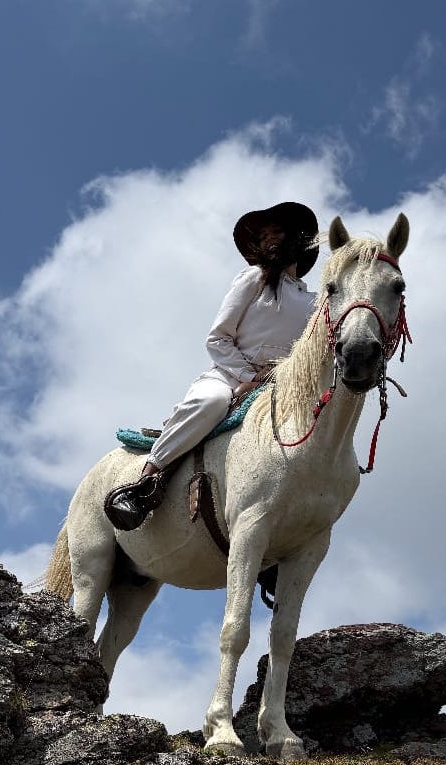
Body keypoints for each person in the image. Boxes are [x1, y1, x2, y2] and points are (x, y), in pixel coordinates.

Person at [104, 201, 319, 531]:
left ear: (296, 239)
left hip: (280, 384)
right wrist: (247, 378)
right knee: (211, 402)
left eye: (277, 231)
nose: (269, 239)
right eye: (263, 236)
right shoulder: (254, 279)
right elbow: (218, 339)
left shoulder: (315, 303)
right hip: (228, 374)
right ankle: (146, 482)